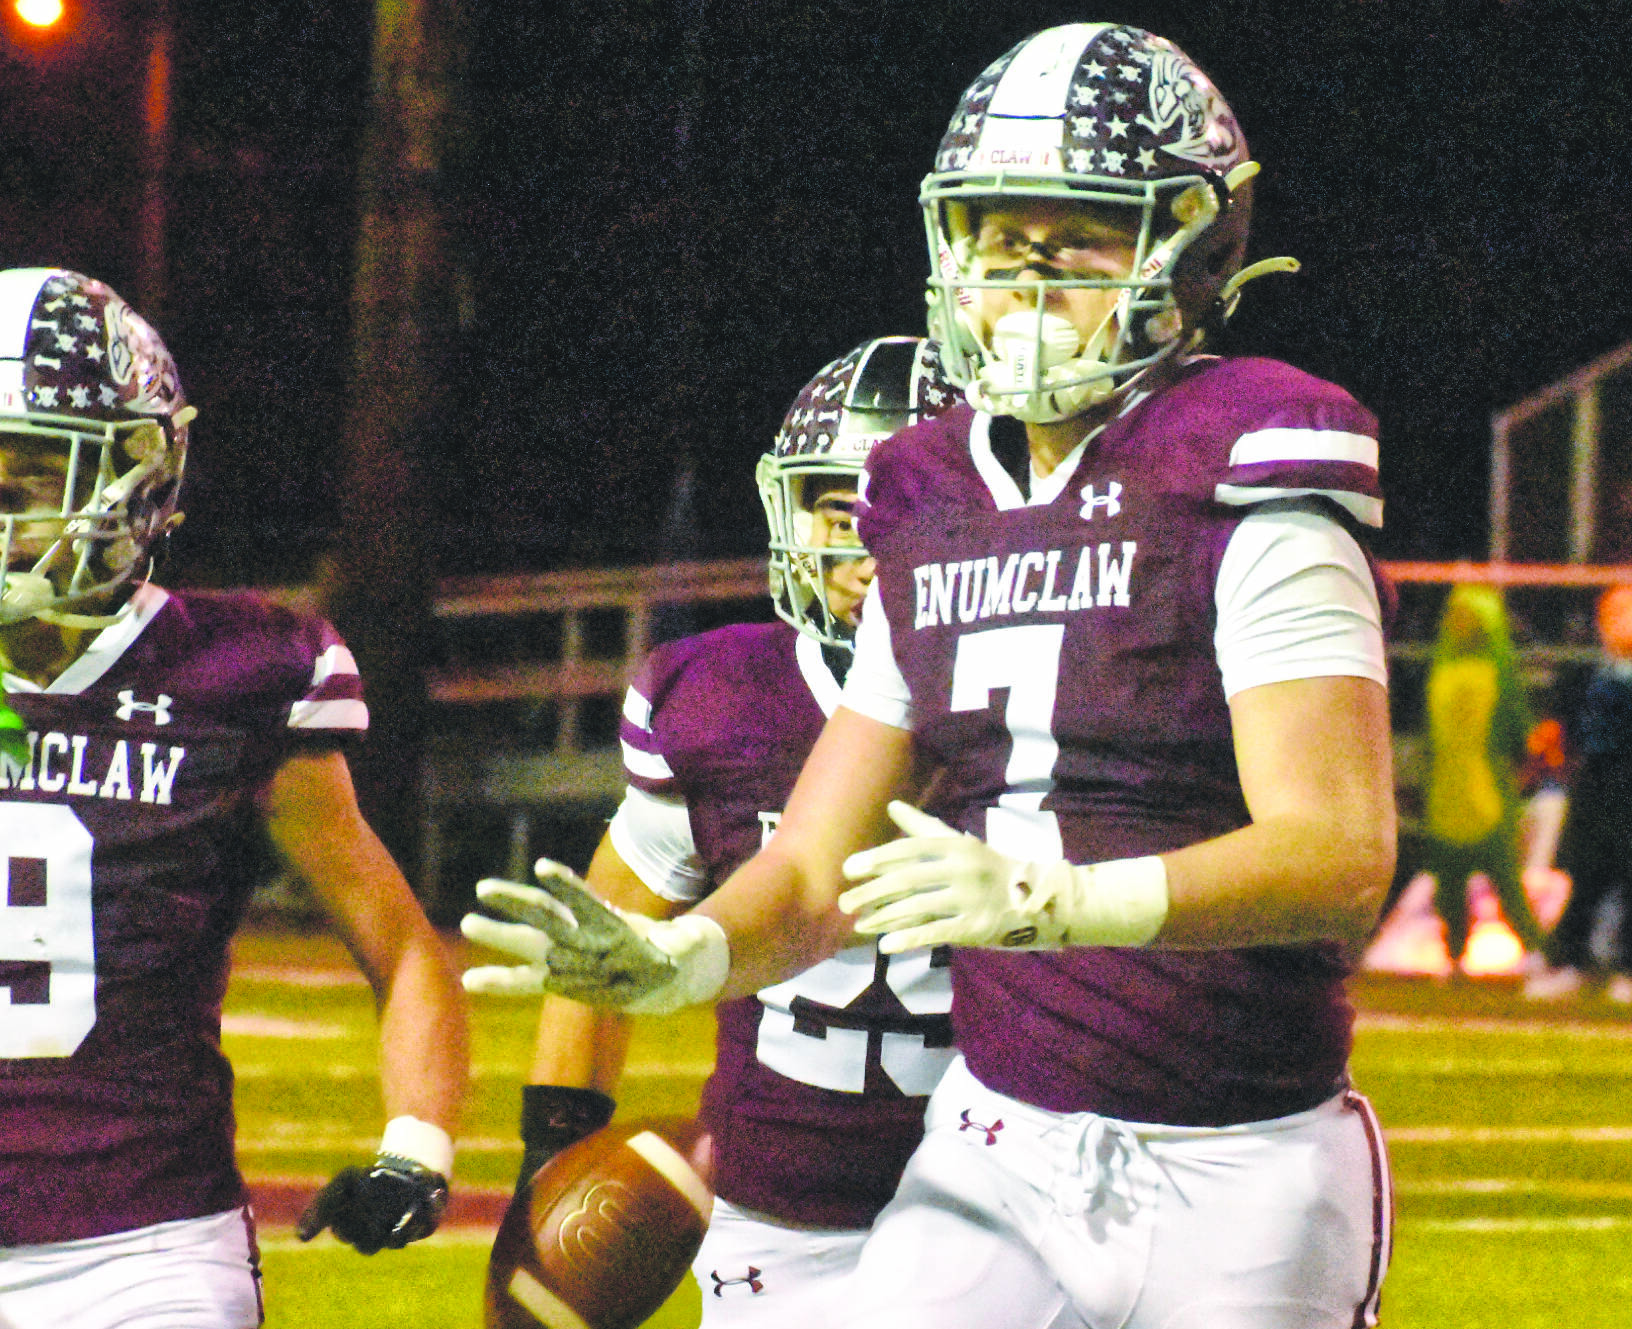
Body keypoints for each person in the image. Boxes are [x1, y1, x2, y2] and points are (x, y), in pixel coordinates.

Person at [466, 24, 1396, 1329]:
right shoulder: (930, 492)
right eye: (996, 236)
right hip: (996, 1147)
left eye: (1075, 238)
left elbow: (1339, 854)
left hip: (1232, 1155)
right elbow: (808, 871)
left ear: (1189, 246)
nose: (1026, 281)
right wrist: (680, 955)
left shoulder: (1250, 469)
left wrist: (1061, 898)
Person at [0, 267, 467, 1329]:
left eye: (29, 473)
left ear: (136, 479)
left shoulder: (237, 673)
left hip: (159, 1254)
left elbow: (403, 949)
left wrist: (416, 1149)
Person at [500, 338, 964, 1326]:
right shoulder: (715, 696)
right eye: (834, 512)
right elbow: (604, 942)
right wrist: (549, 1154)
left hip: (996, 1190)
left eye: (896, 512)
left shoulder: (1047, 699)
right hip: (777, 1204)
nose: (854, 548)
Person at [1416, 584, 1544, 974]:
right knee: (1450, 885)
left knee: (1505, 880)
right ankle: (1454, 956)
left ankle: (1537, 953)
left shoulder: (1499, 675)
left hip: (1489, 792)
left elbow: (1520, 734)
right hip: (1445, 794)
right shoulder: (1441, 671)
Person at [1526, 583, 1632, 1001]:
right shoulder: (1590, 672)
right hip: (1596, 789)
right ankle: (1571, 961)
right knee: (1588, 879)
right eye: (1610, 616)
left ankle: (1624, 966)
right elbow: (1565, 723)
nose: (1615, 625)